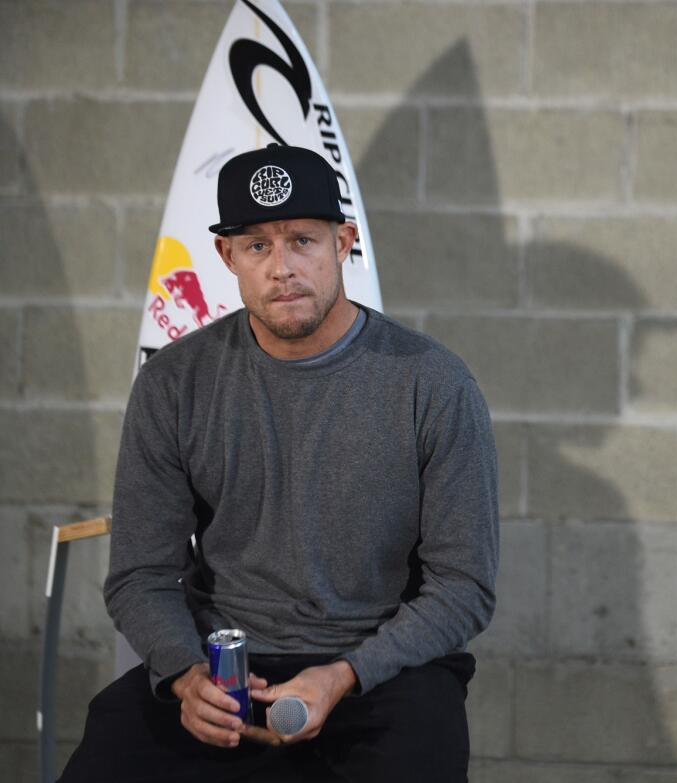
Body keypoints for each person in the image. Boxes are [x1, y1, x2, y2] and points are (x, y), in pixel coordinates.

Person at [59, 145, 499, 782]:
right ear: (226, 256)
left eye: (302, 240)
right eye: (257, 246)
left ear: (343, 242)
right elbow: (140, 574)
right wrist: (186, 677)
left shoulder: (434, 385)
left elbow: (465, 586)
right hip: (224, 665)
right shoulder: (174, 383)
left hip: (382, 668)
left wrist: (344, 675)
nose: (282, 268)